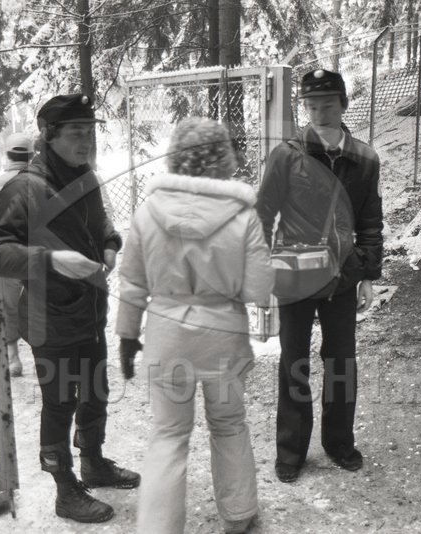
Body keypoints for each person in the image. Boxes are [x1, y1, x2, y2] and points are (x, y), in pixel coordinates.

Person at [0, 93, 139, 523]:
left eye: (90, 132)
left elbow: (100, 224)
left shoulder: (86, 177)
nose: (86, 141)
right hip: (48, 319)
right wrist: (51, 260)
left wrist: (110, 244)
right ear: (49, 135)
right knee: (60, 404)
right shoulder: (25, 188)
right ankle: (66, 491)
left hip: (88, 312)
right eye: (76, 133)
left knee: (96, 392)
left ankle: (94, 463)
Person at [116, 117, 274, 534]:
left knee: (168, 434)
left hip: (167, 337)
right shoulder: (243, 216)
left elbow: (132, 283)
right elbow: (258, 289)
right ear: (223, 158)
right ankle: (238, 515)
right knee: (229, 423)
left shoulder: (147, 213)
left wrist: (127, 336)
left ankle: (158, 527)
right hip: (224, 337)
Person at [256, 69, 383, 483]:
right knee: (294, 361)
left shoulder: (364, 158)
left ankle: (339, 443)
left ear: (344, 105)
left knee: (341, 361)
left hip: (342, 277)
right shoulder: (286, 156)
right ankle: (291, 450)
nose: (319, 113)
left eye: (327, 104)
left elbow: (370, 220)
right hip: (294, 278)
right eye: (311, 106)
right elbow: (262, 215)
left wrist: (368, 275)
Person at [0, 132, 33, 377]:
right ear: (31, 155)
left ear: (7, 155)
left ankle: (13, 357)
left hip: (5, 254)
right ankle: (43, 352)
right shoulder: (44, 182)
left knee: (7, 305)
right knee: (39, 301)